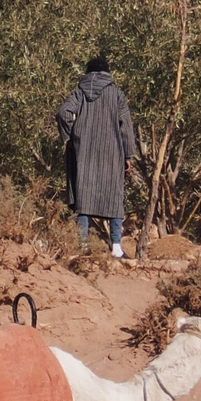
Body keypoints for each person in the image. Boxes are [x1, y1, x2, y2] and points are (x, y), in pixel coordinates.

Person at [56, 56, 137, 258]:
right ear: (107, 73)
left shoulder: (79, 92)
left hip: (84, 152)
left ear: (88, 73)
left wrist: (71, 136)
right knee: (114, 198)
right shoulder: (116, 94)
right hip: (112, 153)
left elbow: (63, 113)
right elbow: (126, 126)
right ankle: (116, 247)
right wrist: (128, 155)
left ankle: (83, 245)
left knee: (84, 198)